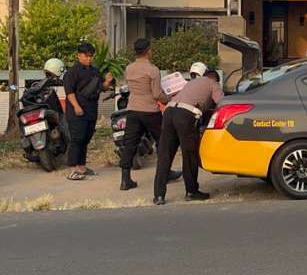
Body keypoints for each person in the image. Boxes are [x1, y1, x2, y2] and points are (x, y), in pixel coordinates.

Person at [154, 68, 223, 205]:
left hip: (169, 112)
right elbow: (222, 102)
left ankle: (159, 195)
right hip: (185, 116)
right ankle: (191, 191)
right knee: (189, 154)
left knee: (165, 155)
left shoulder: (192, 82)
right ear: (215, 78)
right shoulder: (213, 83)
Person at [118, 39, 170, 190]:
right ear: (148, 51)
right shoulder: (153, 70)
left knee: (129, 144)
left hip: (133, 110)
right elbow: (157, 94)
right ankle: (165, 174)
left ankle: (125, 179)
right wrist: (169, 99)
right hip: (150, 111)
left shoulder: (129, 68)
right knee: (163, 142)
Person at [63, 42, 113, 181]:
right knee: (77, 139)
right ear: (79, 55)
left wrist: (107, 82)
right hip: (77, 111)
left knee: (86, 139)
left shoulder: (95, 71)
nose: (89, 59)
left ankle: (82, 167)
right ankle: (73, 169)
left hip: (91, 109)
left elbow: (101, 87)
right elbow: (69, 92)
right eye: (86, 56)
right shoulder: (72, 72)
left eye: (91, 56)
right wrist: (77, 107)